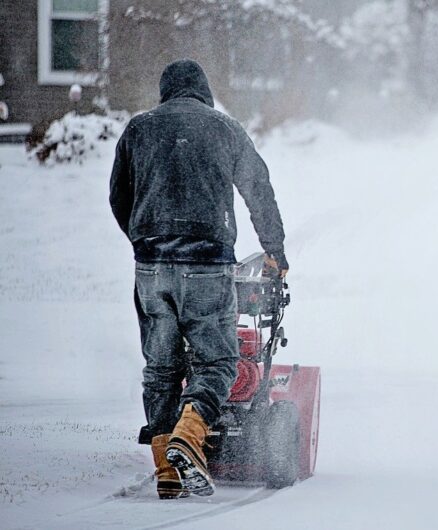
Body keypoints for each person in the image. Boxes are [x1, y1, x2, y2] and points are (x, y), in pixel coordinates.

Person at [109, 59, 288, 499]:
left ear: (165, 91)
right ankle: (188, 438)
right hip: (208, 263)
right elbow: (257, 187)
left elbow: (118, 195)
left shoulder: (138, 129)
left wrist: (144, 238)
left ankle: (166, 471)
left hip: (151, 265)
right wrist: (275, 251)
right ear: (203, 92)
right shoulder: (224, 128)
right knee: (217, 363)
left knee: (162, 369)